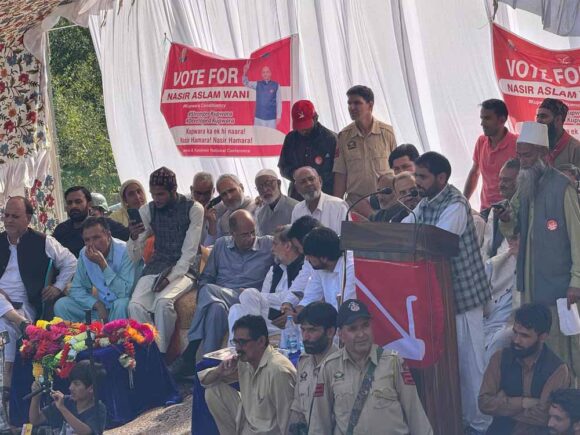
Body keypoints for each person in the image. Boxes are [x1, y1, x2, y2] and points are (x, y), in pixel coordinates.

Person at [402, 151, 491, 432]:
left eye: (422, 177)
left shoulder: (454, 204)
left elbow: (438, 241)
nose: (417, 182)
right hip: (438, 297)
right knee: (448, 364)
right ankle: (457, 419)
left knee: (471, 365)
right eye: (416, 175)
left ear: (442, 178)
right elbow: (403, 232)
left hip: (464, 298)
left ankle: (480, 424)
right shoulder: (426, 202)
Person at [499, 121, 580, 385]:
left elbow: (578, 238)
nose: (521, 161)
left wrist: (576, 281)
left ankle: (568, 403)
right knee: (537, 346)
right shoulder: (524, 185)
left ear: (544, 154)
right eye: (519, 154)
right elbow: (511, 228)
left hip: (559, 286)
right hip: (531, 285)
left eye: (528, 155)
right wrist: (507, 217)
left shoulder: (562, 188)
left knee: (562, 347)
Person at [172, 210, 274, 378]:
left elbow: (290, 246)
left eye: (252, 232)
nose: (250, 237)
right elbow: (207, 277)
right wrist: (209, 297)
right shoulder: (221, 245)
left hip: (247, 298)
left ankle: (190, 352)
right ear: (232, 234)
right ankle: (210, 366)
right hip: (221, 300)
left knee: (208, 291)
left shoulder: (267, 245)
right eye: (244, 235)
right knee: (214, 308)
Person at [309, 299, 432, 435]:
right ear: (341, 335)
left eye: (365, 326)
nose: (361, 334)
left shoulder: (393, 362)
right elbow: (319, 424)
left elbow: (415, 414)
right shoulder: (329, 368)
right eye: (353, 328)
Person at [0, 196, 76, 394]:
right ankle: (7, 393)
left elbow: (70, 262)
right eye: (5, 215)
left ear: (28, 218)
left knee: (4, 328)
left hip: (24, 306)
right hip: (8, 307)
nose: (8, 220)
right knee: (8, 324)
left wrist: (58, 287)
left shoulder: (44, 242)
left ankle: (6, 397)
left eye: (14, 216)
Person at [127, 167, 204, 358]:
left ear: (174, 190)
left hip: (185, 269)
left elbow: (189, 252)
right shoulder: (147, 209)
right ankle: (148, 352)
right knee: (134, 306)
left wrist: (169, 279)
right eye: (153, 194)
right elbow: (134, 256)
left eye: (160, 194)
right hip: (157, 265)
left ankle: (160, 356)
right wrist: (133, 237)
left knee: (163, 302)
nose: (156, 198)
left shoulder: (194, 208)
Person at [479, 304, 571, 434]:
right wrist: (524, 403)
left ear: (543, 337)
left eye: (525, 336)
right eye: (515, 332)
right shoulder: (500, 358)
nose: (516, 340)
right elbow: (484, 403)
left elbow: (544, 416)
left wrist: (503, 405)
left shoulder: (558, 369)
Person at [199, 315, 296, 435]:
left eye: (243, 342)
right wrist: (220, 371)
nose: (238, 348)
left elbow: (289, 420)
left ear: (261, 341)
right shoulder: (245, 361)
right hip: (248, 425)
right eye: (236, 342)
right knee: (213, 391)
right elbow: (206, 381)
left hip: (268, 432)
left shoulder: (278, 371)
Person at [227, 225, 304, 340]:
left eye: (275, 244)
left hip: (291, 319)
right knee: (236, 309)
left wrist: (254, 295)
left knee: (249, 294)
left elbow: (293, 297)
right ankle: (236, 349)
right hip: (271, 318)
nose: (271, 249)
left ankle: (253, 341)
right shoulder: (274, 270)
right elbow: (261, 303)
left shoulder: (304, 268)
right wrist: (256, 296)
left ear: (287, 246)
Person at [55, 217, 137, 322]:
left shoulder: (125, 251)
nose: (91, 244)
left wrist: (103, 265)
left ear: (108, 235)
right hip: (100, 308)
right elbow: (76, 289)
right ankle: (81, 337)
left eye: (96, 238)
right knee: (62, 305)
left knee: (122, 304)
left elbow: (125, 292)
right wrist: (96, 304)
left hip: (120, 308)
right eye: (87, 240)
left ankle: (117, 337)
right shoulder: (84, 253)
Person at [333, 85, 397, 218]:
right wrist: (336, 205)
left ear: (370, 105)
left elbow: (396, 168)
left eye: (357, 103)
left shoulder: (387, 132)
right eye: (349, 103)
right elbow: (340, 174)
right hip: (357, 204)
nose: (352, 107)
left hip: (384, 201)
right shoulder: (344, 136)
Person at [481, 158, 520, 363]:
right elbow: (487, 251)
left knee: (497, 343)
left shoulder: (533, 211)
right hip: (495, 289)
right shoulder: (496, 213)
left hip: (519, 293)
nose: (501, 184)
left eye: (508, 181)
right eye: (500, 179)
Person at [288, 302, 338, 433]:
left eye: (312, 330)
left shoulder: (341, 366)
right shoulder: (304, 362)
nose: (305, 337)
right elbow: (298, 408)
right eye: (303, 330)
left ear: (330, 332)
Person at [464, 99, 517, 216]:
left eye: (487, 118)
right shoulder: (481, 141)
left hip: (510, 211)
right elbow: (474, 172)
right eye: (481, 118)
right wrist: (463, 201)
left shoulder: (518, 144)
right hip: (486, 210)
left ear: (502, 120)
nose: (482, 123)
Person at [283, 227, 355, 313]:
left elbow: (346, 308)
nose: (307, 259)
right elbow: (310, 297)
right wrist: (294, 314)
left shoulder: (351, 268)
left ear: (324, 258)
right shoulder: (319, 267)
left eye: (309, 256)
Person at [278, 100, 338, 200]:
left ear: (315, 118)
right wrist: (295, 174)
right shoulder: (290, 138)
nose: (303, 130)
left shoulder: (330, 139)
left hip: (325, 196)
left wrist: (313, 180)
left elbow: (337, 172)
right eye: (299, 126)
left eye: (306, 126)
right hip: (297, 197)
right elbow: (283, 166)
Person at [29, 360, 107, 435]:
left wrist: (63, 408)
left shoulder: (98, 408)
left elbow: (86, 432)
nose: (70, 388)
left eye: (76, 384)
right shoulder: (66, 401)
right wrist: (36, 397)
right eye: (71, 383)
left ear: (91, 389)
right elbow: (36, 420)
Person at [53, 186, 130, 257]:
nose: (73, 206)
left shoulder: (104, 224)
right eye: (70, 203)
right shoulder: (61, 230)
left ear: (89, 204)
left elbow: (129, 238)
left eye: (78, 202)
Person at [291, 166, 348, 235]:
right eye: (303, 182)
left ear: (320, 181)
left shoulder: (339, 206)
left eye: (311, 179)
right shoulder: (297, 209)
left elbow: (348, 238)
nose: (308, 184)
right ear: (297, 188)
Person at [536, 98, 580, 168]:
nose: (538, 121)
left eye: (543, 116)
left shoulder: (575, 149)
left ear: (558, 120)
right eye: (537, 116)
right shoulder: (535, 145)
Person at [254, 169, 297, 236]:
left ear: (278, 183)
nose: (265, 189)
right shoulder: (260, 214)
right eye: (260, 187)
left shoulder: (296, 208)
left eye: (268, 183)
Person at [215, 174, 257, 238]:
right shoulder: (224, 221)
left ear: (242, 188)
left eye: (232, 191)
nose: (229, 197)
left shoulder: (258, 207)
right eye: (224, 194)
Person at [242, 62, 281, 129]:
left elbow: (279, 102)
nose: (265, 74)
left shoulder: (276, 85)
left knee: (270, 137)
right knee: (259, 138)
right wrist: (245, 72)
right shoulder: (257, 84)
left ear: (270, 73)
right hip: (259, 118)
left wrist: (278, 116)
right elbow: (246, 83)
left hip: (271, 119)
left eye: (267, 72)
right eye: (263, 72)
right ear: (261, 74)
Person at [190, 171, 221, 245]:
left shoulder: (220, 207)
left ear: (213, 191)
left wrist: (212, 223)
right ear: (191, 190)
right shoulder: (183, 206)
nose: (202, 198)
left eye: (206, 193)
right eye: (198, 193)